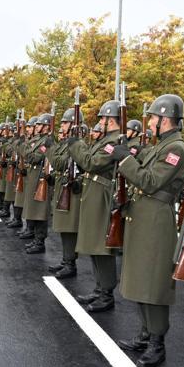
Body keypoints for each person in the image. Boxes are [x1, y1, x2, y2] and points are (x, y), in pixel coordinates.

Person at [110, 94, 184, 367]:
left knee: (154, 282)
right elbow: (143, 162)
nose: (150, 123)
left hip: (156, 219)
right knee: (142, 278)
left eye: (153, 118)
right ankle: (145, 333)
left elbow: (151, 180)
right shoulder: (161, 146)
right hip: (142, 216)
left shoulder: (176, 148)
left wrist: (126, 162)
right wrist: (130, 154)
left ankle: (157, 342)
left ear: (164, 120)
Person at [67, 101, 122, 312]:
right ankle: (99, 288)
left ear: (111, 119)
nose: (100, 122)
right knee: (93, 243)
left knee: (101, 246)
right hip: (93, 192)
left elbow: (90, 162)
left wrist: (76, 144)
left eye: (103, 118)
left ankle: (106, 293)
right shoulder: (107, 140)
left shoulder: (114, 141)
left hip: (102, 195)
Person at [48, 108, 82, 277]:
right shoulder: (66, 144)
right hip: (63, 185)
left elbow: (59, 163)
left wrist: (49, 149)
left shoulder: (75, 144)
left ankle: (70, 263)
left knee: (68, 227)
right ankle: (65, 260)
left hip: (71, 188)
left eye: (65, 122)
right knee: (63, 227)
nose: (62, 125)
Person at [22, 113, 53, 254]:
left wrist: (28, 153)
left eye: (39, 124)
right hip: (33, 177)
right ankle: (35, 238)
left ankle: (40, 242)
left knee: (40, 211)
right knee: (34, 209)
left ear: (46, 126)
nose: (36, 127)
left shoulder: (47, 141)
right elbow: (26, 153)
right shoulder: (38, 140)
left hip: (41, 178)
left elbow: (35, 157)